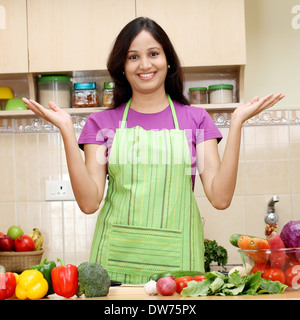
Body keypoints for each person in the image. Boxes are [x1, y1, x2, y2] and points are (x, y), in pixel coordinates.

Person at [23, 17, 284, 284]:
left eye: (153, 54)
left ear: (167, 60)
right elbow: (89, 203)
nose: (145, 64)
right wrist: (67, 130)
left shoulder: (195, 120)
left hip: (179, 262)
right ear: (122, 67)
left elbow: (220, 197)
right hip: (116, 261)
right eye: (133, 56)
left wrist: (237, 121)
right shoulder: (101, 124)